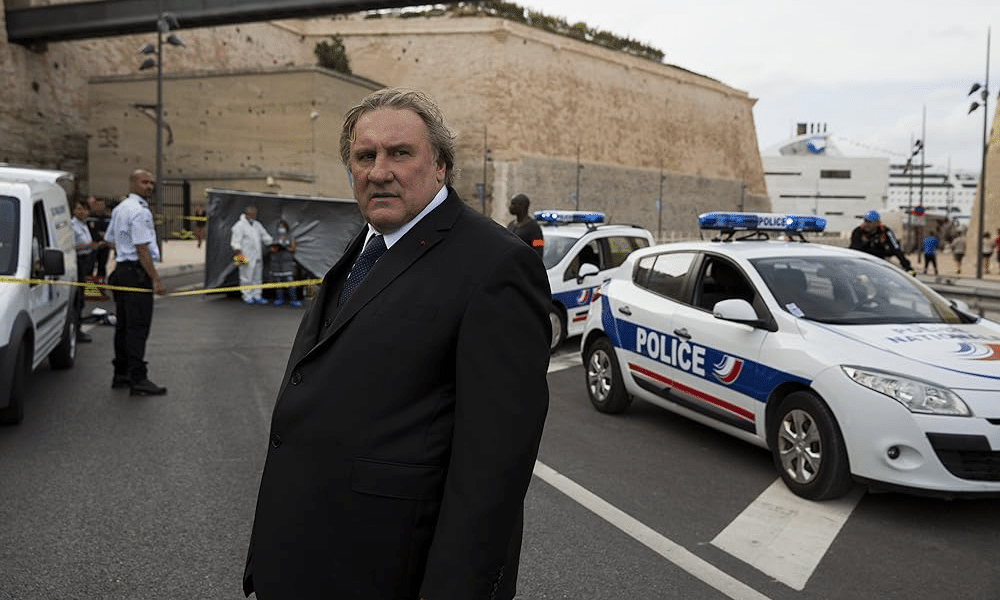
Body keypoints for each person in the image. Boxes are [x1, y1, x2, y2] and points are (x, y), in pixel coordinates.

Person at [243, 88, 551, 600]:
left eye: (400, 153)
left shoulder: (496, 265)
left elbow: (493, 469)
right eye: (365, 156)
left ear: (441, 167)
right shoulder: (368, 242)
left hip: (386, 574)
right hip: (302, 559)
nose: (379, 170)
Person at [104, 169, 167, 396]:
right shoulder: (140, 212)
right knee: (137, 327)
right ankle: (137, 377)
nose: (149, 186)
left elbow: (111, 240)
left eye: (152, 183)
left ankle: (120, 373)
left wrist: (124, 250)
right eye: (144, 182)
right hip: (135, 274)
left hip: (122, 270)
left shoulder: (121, 208)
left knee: (123, 326)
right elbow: (142, 249)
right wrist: (156, 280)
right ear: (133, 183)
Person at [70, 200, 103, 343]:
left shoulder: (84, 225)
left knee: (83, 298)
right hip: (79, 262)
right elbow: (71, 246)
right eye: (78, 209)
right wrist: (88, 246)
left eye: (84, 209)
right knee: (77, 299)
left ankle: (78, 329)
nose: (81, 212)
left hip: (88, 261)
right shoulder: (72, 226)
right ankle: (75, 331)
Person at [230, 205, 273, 305]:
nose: (254, 216)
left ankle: (257, 295)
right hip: (246, 256)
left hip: (257, 256)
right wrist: (238, 254)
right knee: (246, 277)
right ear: (247, 214)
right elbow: (236, 241)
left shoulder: (257, 224)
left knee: (257, 277)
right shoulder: (239, 226)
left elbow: (265, 236)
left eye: (255, 214)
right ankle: (247, 295)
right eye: (253, 214)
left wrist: (272, 243)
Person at [848, 210, 913, 272]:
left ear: (877, 223)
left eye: (869, 222)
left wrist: (907, 267)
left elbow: (896, 248)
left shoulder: (886, 232)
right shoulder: (858, 231)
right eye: (865, 221)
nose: (866, 224)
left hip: (880, 261)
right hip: (862, 261)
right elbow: (855, 249)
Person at [268, 219, 301, 307]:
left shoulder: (290, 237)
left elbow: (293, 249)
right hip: (276, 263)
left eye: (283, 227)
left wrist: (285, 247)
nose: (281, 228)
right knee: (278, 282)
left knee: (290, 281)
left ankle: (294, 299)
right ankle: (279, 299)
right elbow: (271, 250)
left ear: (286, 228)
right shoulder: (274, 237)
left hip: (287, 263)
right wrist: (276, 248)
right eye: (279, 227)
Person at [506, 193, 545, 259]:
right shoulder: (511, 225)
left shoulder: (534, 227)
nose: (510, 207)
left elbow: (539, 250)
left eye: (513, 204)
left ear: (522, 206)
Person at [86, 195, 112, 281]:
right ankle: (89, 289)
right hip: (92, 246)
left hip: (104, 246)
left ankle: (101, 286)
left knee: (102, 266)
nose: (99, 207)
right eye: (98, 205)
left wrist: (105, 242)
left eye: (101, 205)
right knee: (90, 266)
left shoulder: (108, 219)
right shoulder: (89, 218)